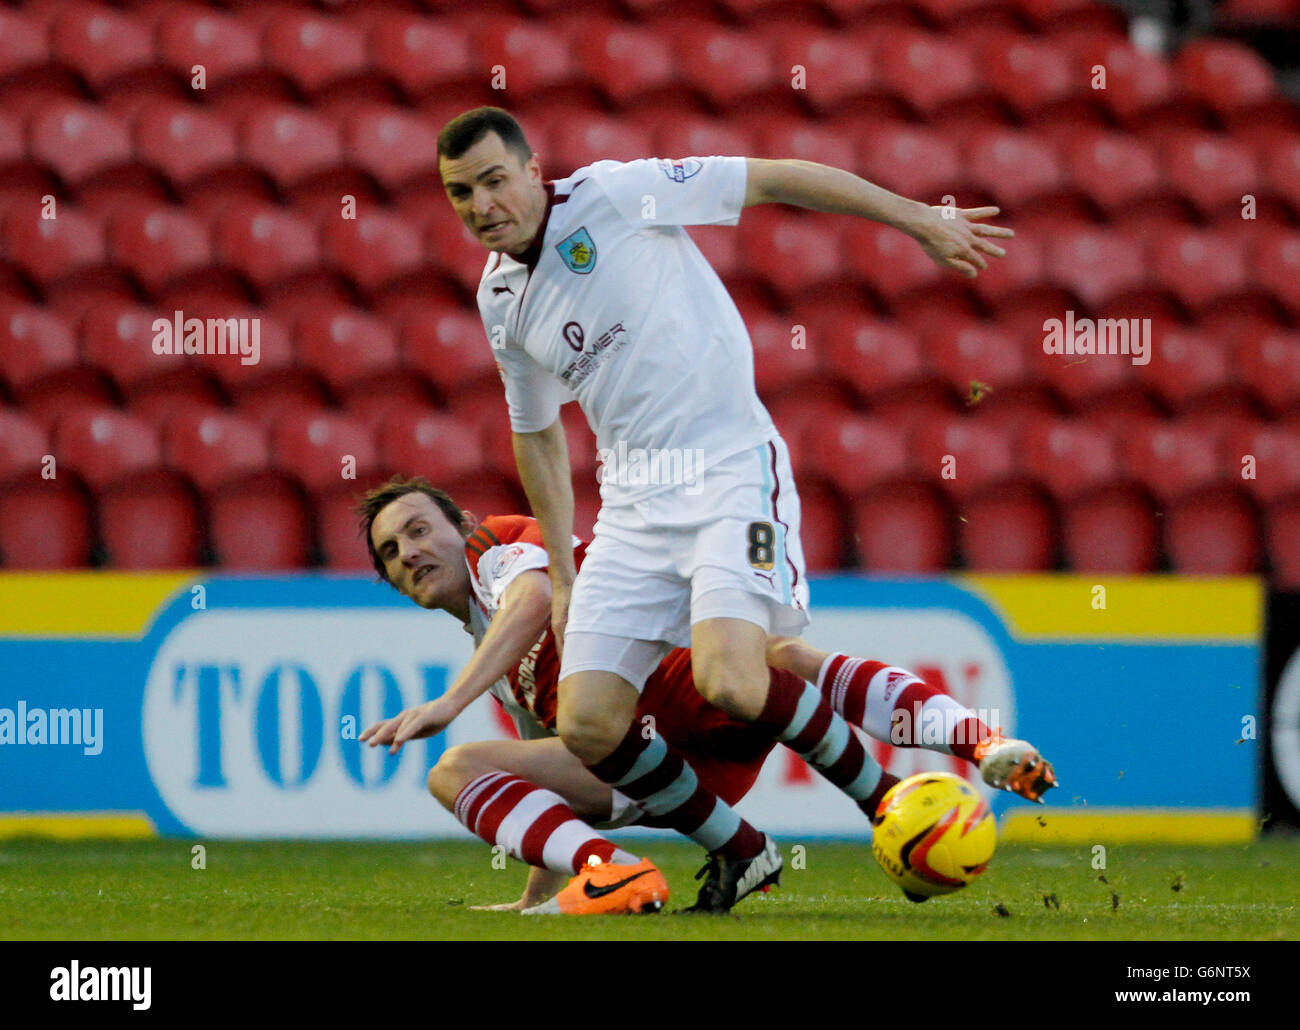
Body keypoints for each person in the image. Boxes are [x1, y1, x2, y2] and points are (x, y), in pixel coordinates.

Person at [436, 106, 1045, 911]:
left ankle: (918, 780)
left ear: (529, 167)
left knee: (737, 674)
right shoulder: (500, 300)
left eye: (493, 180)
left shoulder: (618, 195)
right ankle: (742, 850)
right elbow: (537, 435)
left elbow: (775, 178)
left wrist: (914, 219)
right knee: (585, 723)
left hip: (729, 475)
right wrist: (568, 572)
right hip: (631, 509)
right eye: (460, 192)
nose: (482, 205)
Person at [357, 477, 1057, 913]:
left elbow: (537, 597)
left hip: (686, 687)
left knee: (774, 654)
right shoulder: (495, 648)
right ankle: (617, 874)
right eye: (391, 552)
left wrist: (448, 703)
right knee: (456, 770)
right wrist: (533, 894)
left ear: (461, 525)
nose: (410, 551)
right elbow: (542, 758)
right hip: (663, 765)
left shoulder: (499, 547)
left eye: (419, 530)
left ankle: (977, 743)